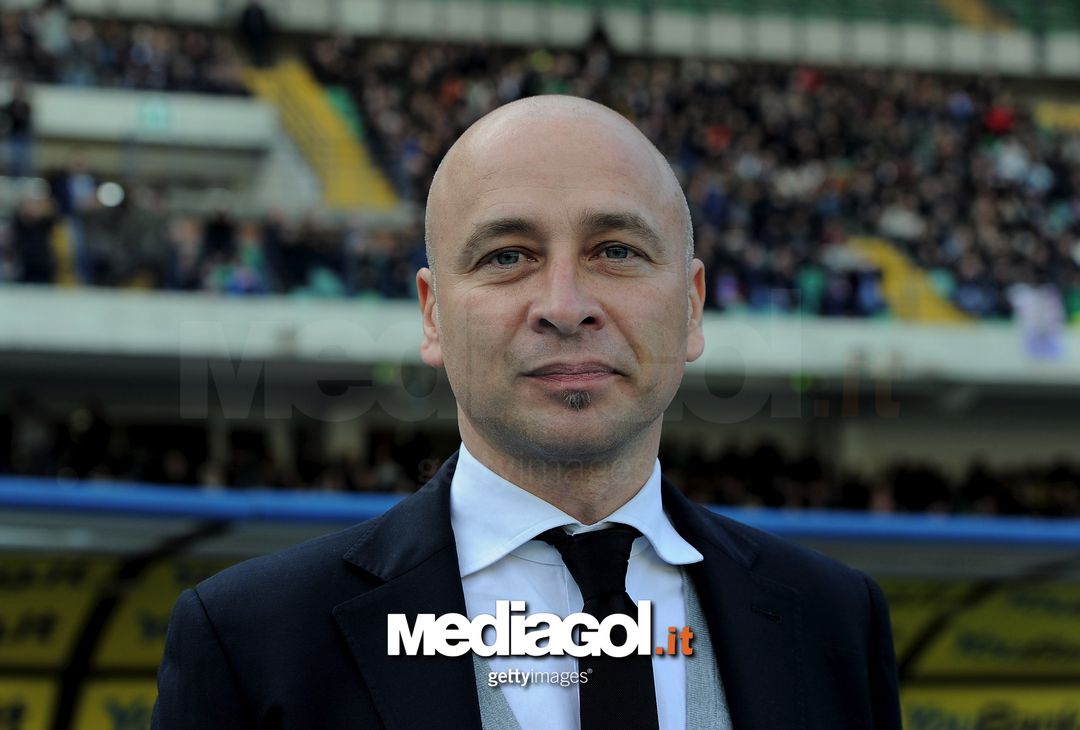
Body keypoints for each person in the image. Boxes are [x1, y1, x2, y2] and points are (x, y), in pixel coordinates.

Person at [152, 96, 901, 729]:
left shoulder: (834, 622)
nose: (565, 307)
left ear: (693, 305)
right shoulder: (251, 641)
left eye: (616, 250)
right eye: (507, 256)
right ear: (433, 316)